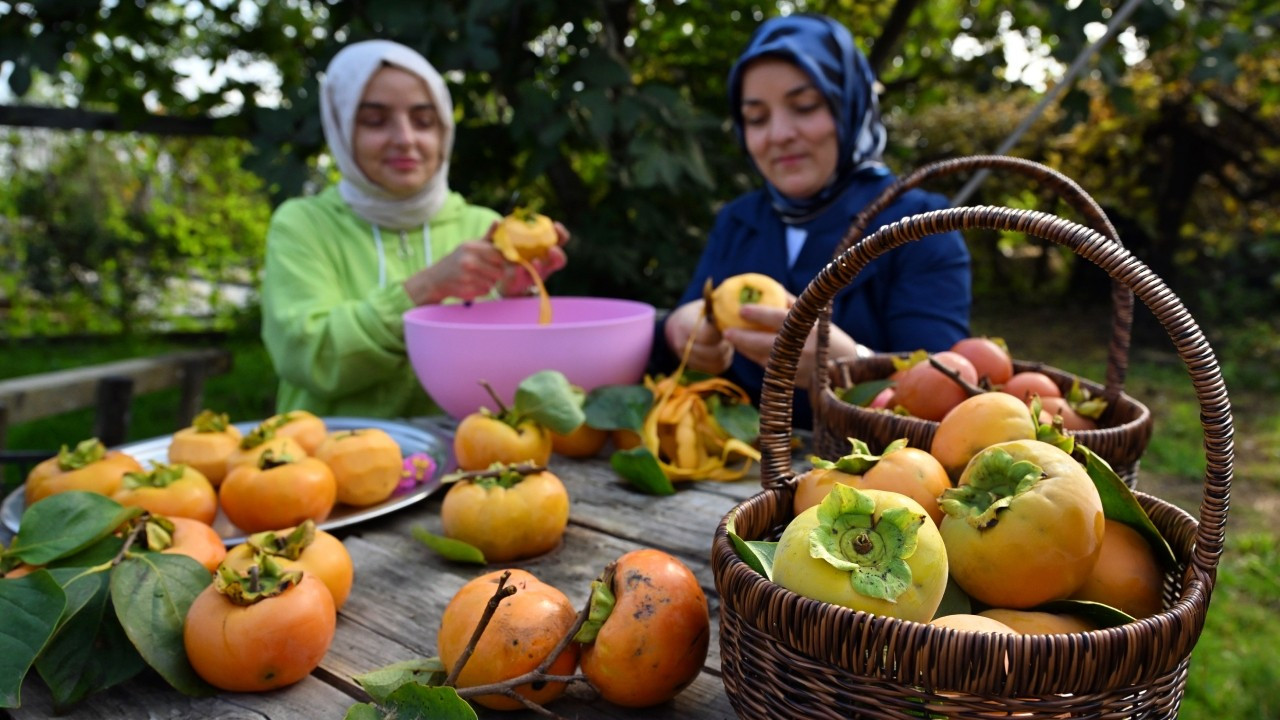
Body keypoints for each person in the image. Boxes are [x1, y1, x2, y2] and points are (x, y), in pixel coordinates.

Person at [660, 13, 971, 425]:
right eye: (756, 118)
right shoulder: (738, 221)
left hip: (874, 479)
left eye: (804, 106)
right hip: (732, 473)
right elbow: (687, 340)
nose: (779, 133)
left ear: (850, 105)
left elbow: (947, 397)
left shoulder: (923, 225)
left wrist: (851, 366)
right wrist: (680, 328)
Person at [260, 40, 568, 418]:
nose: (405, 139)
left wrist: (512, 301)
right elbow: (308, 355)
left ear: (444, 131)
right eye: (374, 121)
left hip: (473, 461)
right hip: (329, 463)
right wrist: (426, 288)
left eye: (423, 121)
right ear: (340, 128)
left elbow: (511, 380)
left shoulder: (483, 227)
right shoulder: (304, 225)